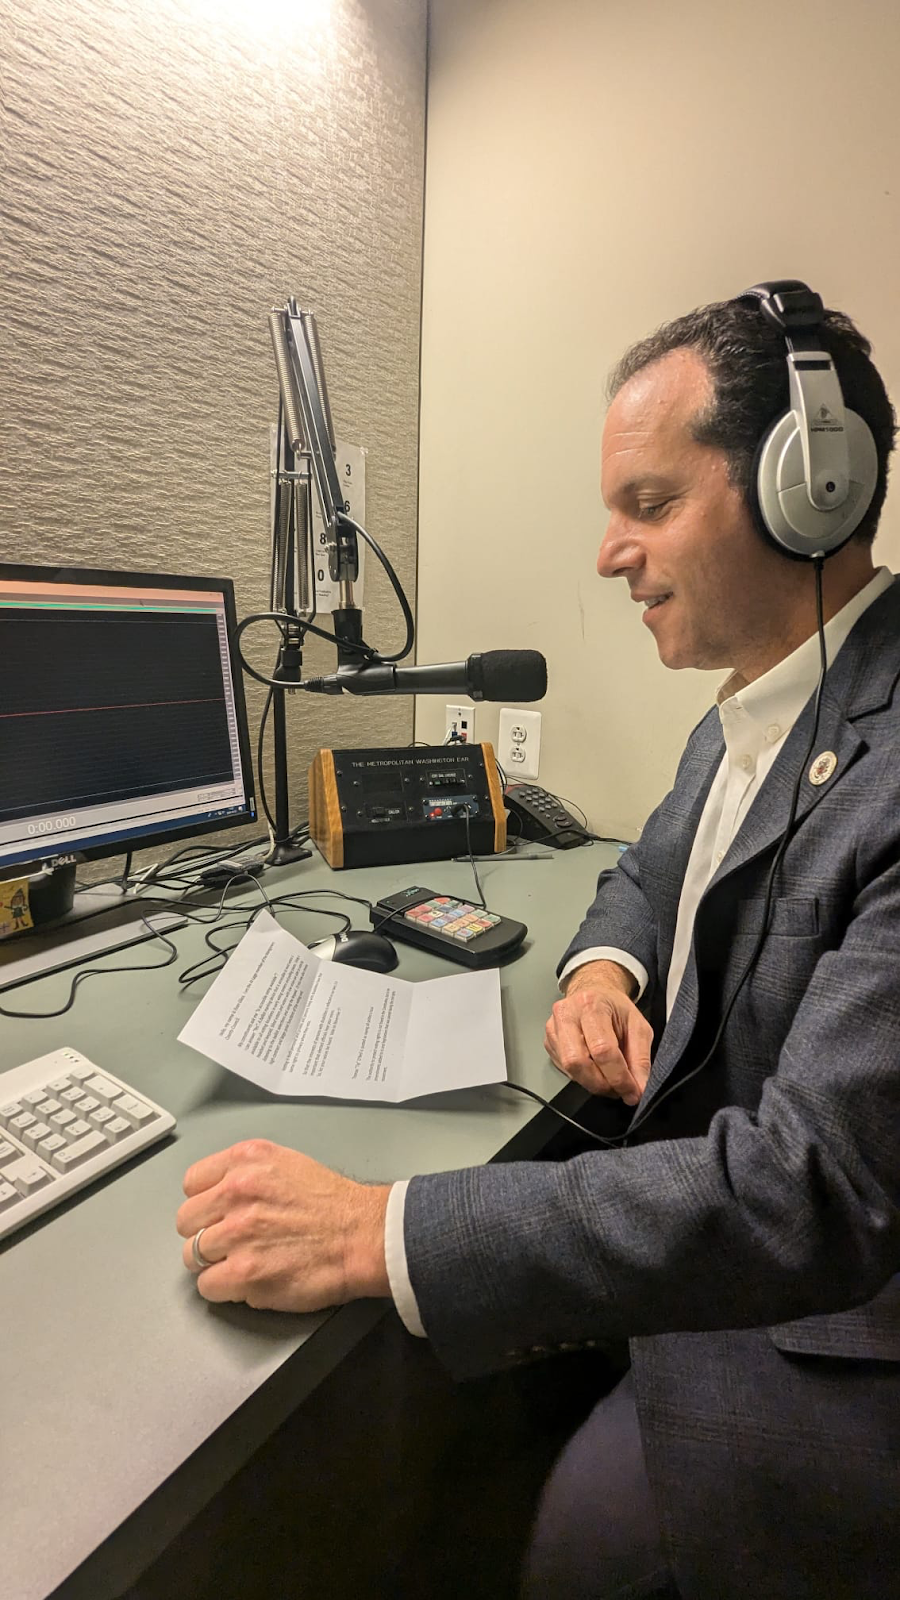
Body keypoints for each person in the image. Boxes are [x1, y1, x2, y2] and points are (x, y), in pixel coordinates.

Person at [176, 285, 900, 1600]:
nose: (610, 553)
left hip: (831, 1326)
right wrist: (600, 966)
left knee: (574, 1534)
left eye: (650, 503)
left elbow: (814, 1196)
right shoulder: (761, 709)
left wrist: (384, 1227)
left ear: (813, 485)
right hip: (711, 1223)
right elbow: (643, 869)